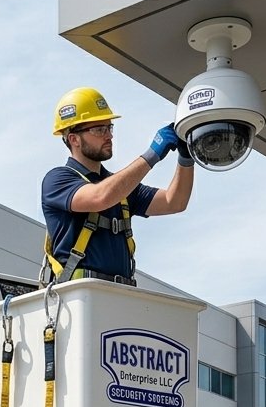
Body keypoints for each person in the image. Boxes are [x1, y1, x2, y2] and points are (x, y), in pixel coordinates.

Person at [41, 87, 195, 285]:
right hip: (80, 300)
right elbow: (100, 197)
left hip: (119, 299)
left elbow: (174, 201)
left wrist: (186, 157)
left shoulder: (121, 188)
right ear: (74, 139)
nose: (109, 136)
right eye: (99, 129)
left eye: (109, 127)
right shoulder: (58, 180)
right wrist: (152, 154)